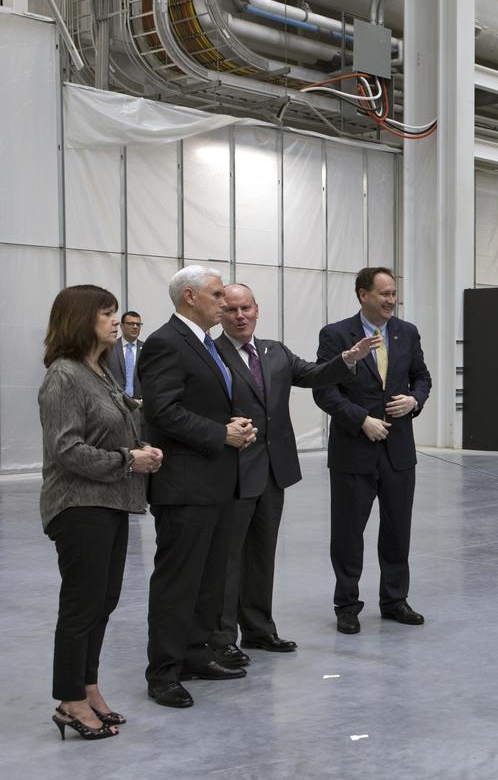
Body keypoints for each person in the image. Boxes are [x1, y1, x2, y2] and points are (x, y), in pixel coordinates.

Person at [210, 283, 379, 663]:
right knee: (228, 560)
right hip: (232, 472)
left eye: (246, 308)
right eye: (232, 310)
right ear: (219, 314)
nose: (240, 316)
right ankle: (222, 639)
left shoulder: (274, 351)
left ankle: (259, 630)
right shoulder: (211, 354)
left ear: (258, 309)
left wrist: (348, 359)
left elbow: (314, 375)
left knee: (262, 555)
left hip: (273, 471)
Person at [38, 285, 163, 740]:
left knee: (103, 602)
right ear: (79, 320)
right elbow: (66, 449)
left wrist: (139, 446)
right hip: (78, 504)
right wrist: (130, 461)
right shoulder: (64, 376)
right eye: (107, 314)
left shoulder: (101, 372)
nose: (117, 321)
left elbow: (118, 426)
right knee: (81, 604)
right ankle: (69, 701)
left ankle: (88, 687)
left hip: (111, 501)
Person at [137, 266, 258, 709]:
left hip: (216, 481)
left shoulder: (208, 344)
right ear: (190, 297)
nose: (226, 302)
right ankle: (163, 672)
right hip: (185, 485)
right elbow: (163, 412)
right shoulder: (166, 342)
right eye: (216, 294)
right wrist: (217, 434)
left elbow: (205, 402)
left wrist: (234, 428)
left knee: (208, 580)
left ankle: (194, 654)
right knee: (178, 582)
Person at [314, 267, 432, 634]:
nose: (390, 300)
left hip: (398, 450)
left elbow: (422, 377)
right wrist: (360, 419)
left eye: (394, 293)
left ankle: (395, 599)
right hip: (354, 449)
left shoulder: (406, 333)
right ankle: (347, 605)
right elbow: (324, 389)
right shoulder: (336, 335)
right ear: (362, 295)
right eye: (383, 293)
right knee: (348, 533)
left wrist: (414, 400)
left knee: (398, 529)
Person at [107, 310, 144, 400]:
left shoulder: (146, 348)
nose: (135, 327)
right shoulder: (110, 347)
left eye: (138, 324)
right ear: (121, 326)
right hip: (115, 403)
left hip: (139, 405)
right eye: (131, 323)